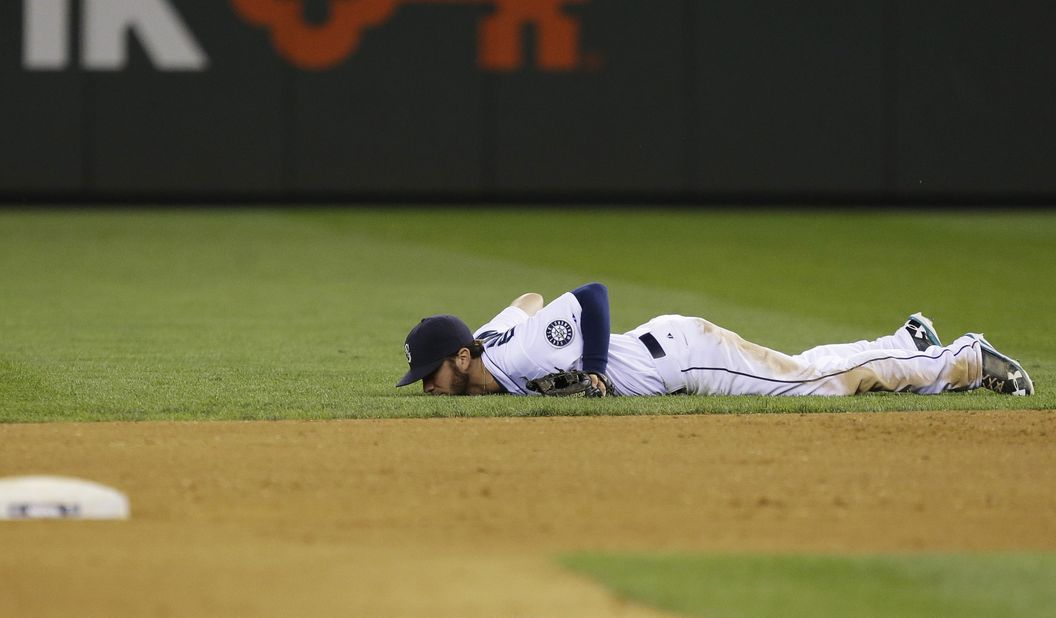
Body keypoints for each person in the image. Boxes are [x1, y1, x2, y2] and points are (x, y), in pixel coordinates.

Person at [395, 282, 1035, 398]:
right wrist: (486, 332)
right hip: (666, 347)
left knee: (816, 385)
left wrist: (591, 368)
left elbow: (587, 295)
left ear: (461, 358)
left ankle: (963, 359)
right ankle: (908, 341)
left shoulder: (525, 352)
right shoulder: (488, 343)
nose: (428, 385)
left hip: (687, 359)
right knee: (806, 368)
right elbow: (526, 299)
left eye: (432, 373)